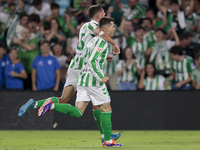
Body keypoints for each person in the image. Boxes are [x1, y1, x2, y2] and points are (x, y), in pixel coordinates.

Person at [18, 4, 120, 143]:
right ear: (98, 15)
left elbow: (92, 47)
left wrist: (103, 55)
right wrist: (114, 44)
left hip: (79, 65)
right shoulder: (90, 25)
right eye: (103, 11)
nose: (105, 13)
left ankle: (35, 104)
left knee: (65, 100)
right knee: (97, 103)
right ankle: (106, 138)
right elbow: (101, 34)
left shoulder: (91, 31)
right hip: (81, 68)